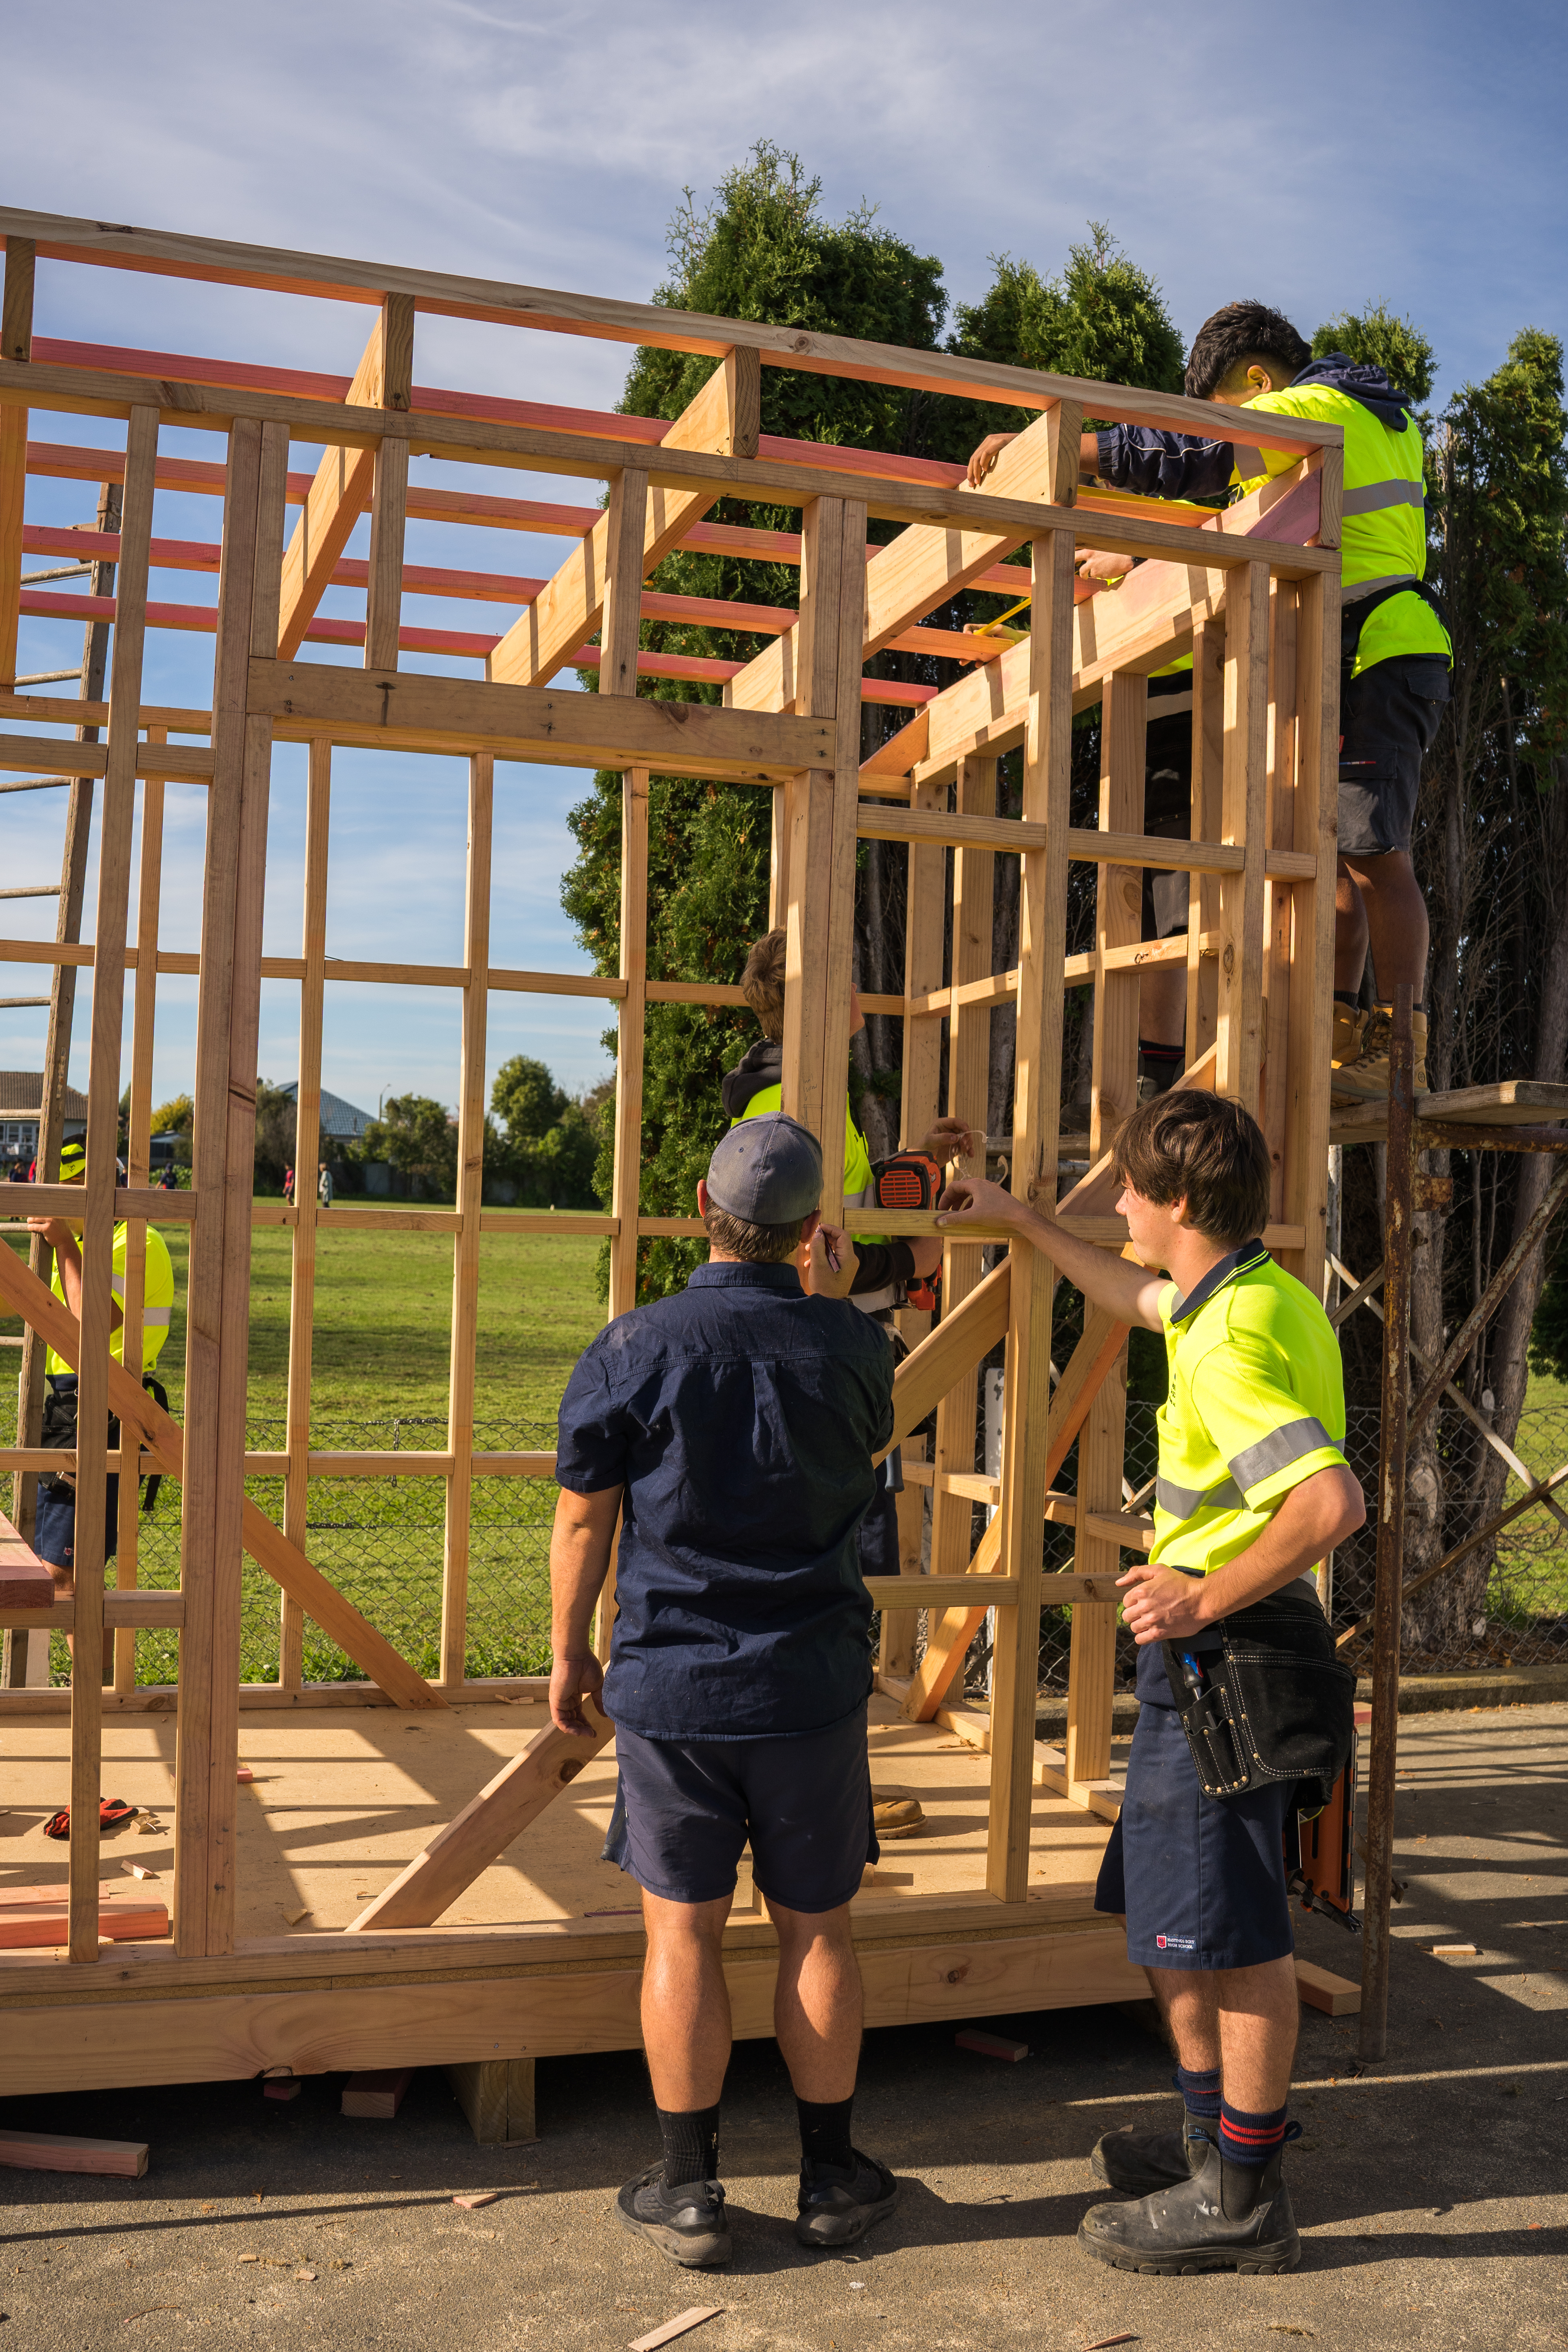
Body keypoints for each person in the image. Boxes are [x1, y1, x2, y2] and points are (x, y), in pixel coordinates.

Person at [938, 1090, 1365, 2274]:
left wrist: (1198, 1594)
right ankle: (1203, 2139)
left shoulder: (1224, 1343)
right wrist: (1019, 1216)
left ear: (1175, 1202)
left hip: (1222, 1657)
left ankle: (1238, 2195)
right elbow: (1124, 1290)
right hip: (1219, 1660)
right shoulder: (1241, 1292)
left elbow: (1328, 1503)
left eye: (1126, 1185)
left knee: (1228, 1935)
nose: (1115, 1199)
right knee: (1175, 1927)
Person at [550, 1113, 901, 2269]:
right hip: (806, 1683)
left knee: (683, 1935)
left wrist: (567, 1650)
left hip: (674, 1684)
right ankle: (830, 2178)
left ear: (702, 1207)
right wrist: (832, 1299)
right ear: (810, 1230)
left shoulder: (633, 1344)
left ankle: (689, 2188)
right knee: (816, 1931)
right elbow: (857, 1436)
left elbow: (583, 1514)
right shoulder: (854, 1348)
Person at [968, 300, 1452, 1103]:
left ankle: (1403, 1044)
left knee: (1373, 853)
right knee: (1333, 857)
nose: (1231, 431)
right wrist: (1134, 558)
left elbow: (1189, 452)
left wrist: (1062, 450)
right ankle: (1338, 1034)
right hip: (1362, 648)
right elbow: (1232, 520)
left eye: (1227, 408)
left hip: (1382, 648)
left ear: (1257, 380)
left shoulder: (1309, 408)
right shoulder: (1349, 423)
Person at [724, 929, 972, 1574]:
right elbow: (812, 1247)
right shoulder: (792, 1104)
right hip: (828, 1342)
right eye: (846, 978)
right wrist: (910, 1262)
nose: (859, 989)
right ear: (821, 999)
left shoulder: (794, 1091)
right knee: (851, 1549)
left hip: (830, 1332)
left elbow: (837, 1207)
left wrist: (914, 1164)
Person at [25, 1139, 176, 1598]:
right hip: (72, 1405)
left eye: (67, 1192)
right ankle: (94, 1674)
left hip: (105, 1403)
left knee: (65, 1575)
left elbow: (93, 1321)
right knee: (64, 1574)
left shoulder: (135, 1240)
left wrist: (66, 1245)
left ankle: (98, 1674)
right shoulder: (87, 1243)